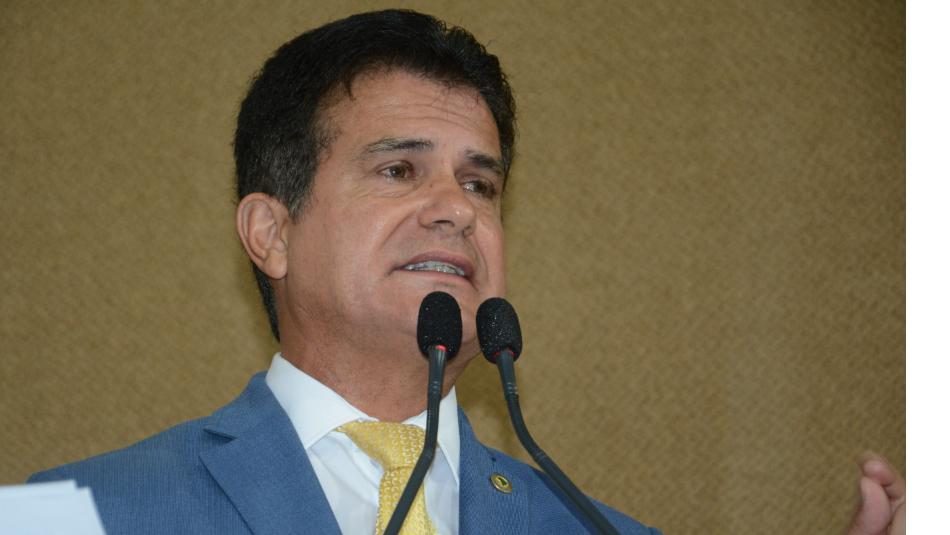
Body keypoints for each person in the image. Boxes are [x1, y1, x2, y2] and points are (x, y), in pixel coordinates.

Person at [28, 9, 904, 535]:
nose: (457, 208)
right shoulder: (65, 514)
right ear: (271, 232)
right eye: (398, 169)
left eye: (481, 183)